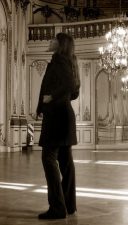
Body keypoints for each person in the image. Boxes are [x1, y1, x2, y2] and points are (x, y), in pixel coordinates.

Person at [36, 32, 80, 220]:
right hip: (64, 115)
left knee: (48, 158)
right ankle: (69, 205)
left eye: (53, 39)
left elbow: (69, 85)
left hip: (57, 116)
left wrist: (51, 97)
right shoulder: (69, 61)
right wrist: (51, 101)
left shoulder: (59, 60)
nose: (50, 41)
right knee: (65, 162)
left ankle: (57, 207)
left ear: (60, 44)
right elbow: (74, 92)